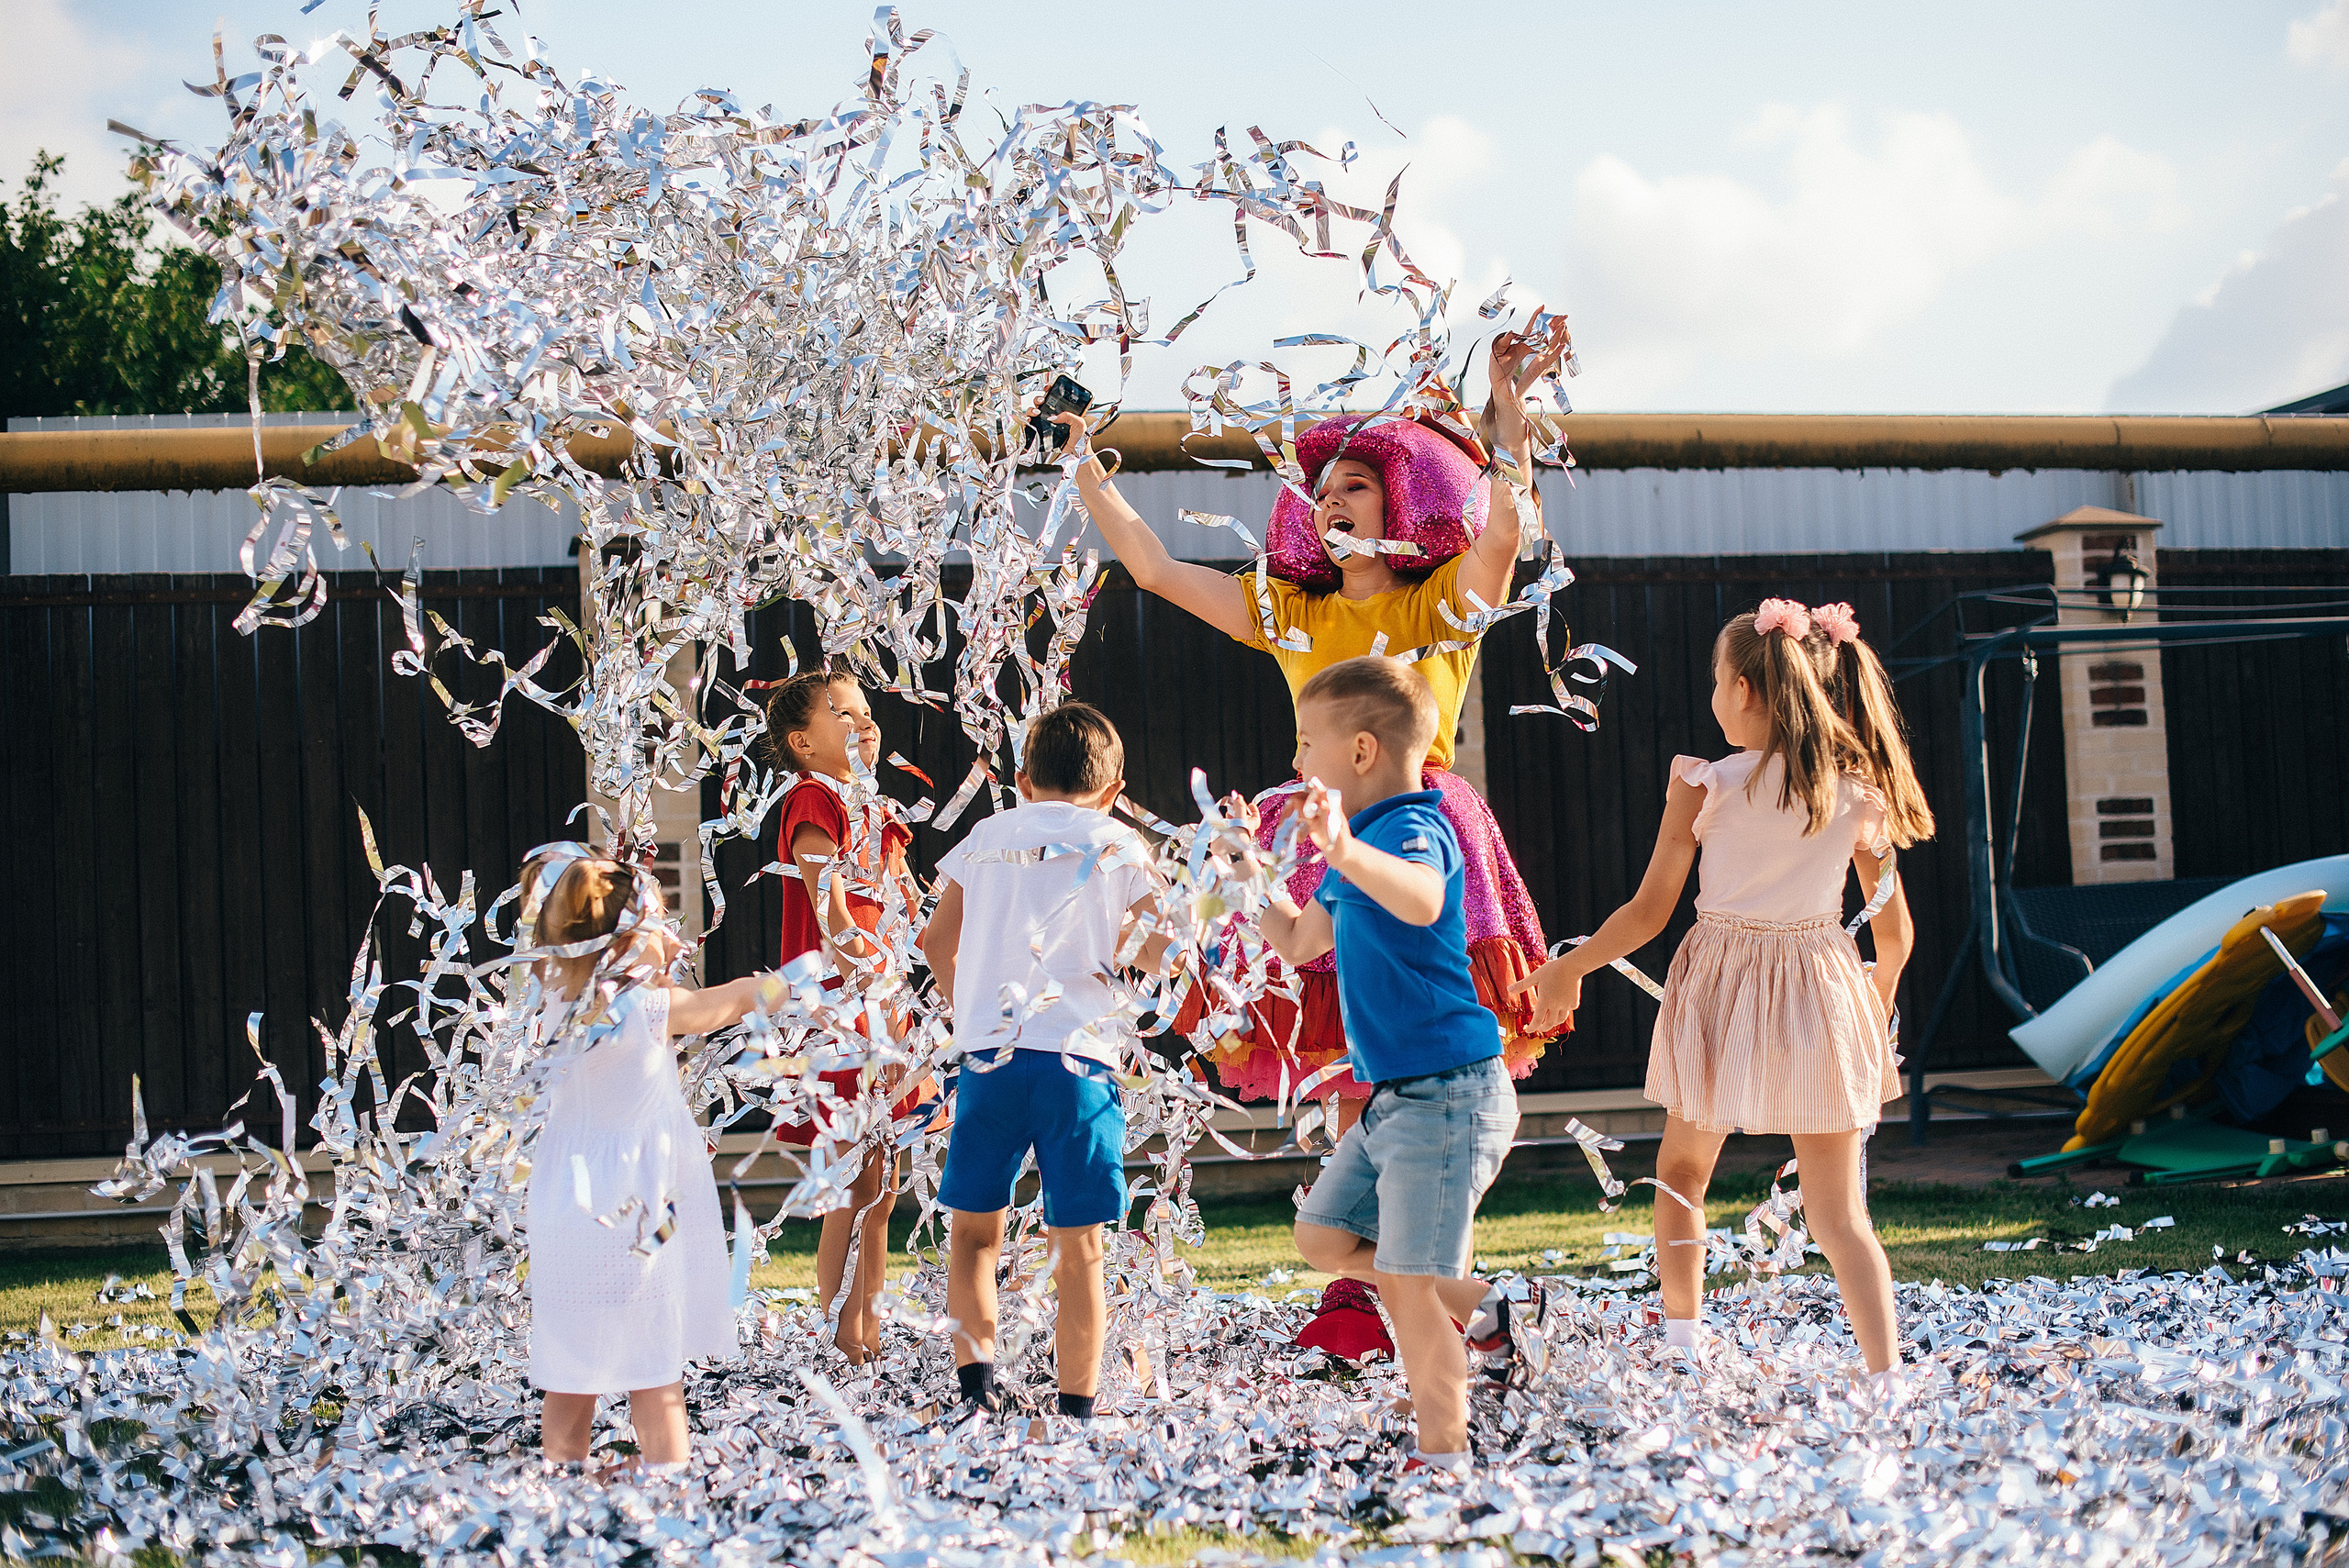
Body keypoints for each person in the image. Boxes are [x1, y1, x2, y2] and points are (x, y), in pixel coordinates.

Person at [1051, 324, 1575, 1134]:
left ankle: (1409, 1225)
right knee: (1325, 1035)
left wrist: (1508, 409)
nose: (1332, 498)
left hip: (1414, 819)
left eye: (1356, 485)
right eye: (1324, 491)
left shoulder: (1437, 602)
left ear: (1398, 501)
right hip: (1315, 820)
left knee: (1417, 1020)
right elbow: (1154, 568)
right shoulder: (1291, 612)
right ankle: (1355, 1245)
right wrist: (1080, 456)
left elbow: (1504, 531)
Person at [1511, 600, 1933, 1390]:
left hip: (1722, 985)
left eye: (1714, 680)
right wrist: (1870, 1008)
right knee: (1840, 1216)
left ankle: (1683, 1351)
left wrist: (1572, 967)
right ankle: (1886, 1377)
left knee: (1681, 1171)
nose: (1713, 696)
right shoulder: (1857, 793)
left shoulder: (1703, 785)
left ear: (1742, 690)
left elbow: (1647, 914)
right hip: (1821, 991)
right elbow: (1896, 937)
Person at [1252, 656, 1524, 1474]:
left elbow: (1422, 898)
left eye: (1308, 744)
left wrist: (1340, 848)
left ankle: (1444, 1455)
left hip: (1449, 1094)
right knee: (1323, 1235)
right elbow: (1302, 942)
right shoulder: (1360, 847)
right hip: (1399, 1100)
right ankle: (1487, 1308)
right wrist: (1250, 878)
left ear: (1362, 752)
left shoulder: (1414, 824)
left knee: (1406, 1283)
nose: (1298, 764)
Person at [918, 703, 1177, 1419]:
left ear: (1023, 779)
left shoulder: (987, 833)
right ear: (1114, 786)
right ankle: (1077, 1404)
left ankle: (976, 1387)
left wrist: (966, 1008)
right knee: (1080, 1246)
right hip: (1080, 1061)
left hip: (990, 1057)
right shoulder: (1119, 842)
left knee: (973, 1231)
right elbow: (1158, 952)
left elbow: (938, 942)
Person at [521, 846, 781, 1471]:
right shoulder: (649, 1010)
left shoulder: (549, 1006)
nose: (670, 935)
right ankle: (671, 1481)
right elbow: (734, 998)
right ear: (622, 942)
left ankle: (561, 1484)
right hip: (636, 1216)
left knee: (572, 1373)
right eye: (657, 923)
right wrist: (788, 981)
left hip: (565, 1209)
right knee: (654, 1369)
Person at [763, 666, 932, 1366]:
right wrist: (855, 960)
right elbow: (826, 898)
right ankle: (838, 1335)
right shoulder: (813, 798)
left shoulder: (877, 809)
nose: (863, 722)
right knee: (848, 1183)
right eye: (843, 713)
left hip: (883, 1008)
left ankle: (868, 1324)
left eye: (866, 710)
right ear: (803, 742)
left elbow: (908, 905)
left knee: (882, 1185)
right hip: (840, 1012)